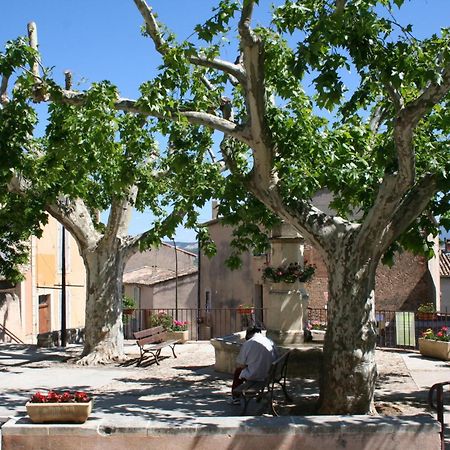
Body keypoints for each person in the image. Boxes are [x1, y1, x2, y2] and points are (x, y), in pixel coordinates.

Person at [229, 325, 277, 404]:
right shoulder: (269, 341)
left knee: (238, 371)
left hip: (257, 376)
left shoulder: (248, 343)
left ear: (249, 334)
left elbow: (240, 364)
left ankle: (235, 397)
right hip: (270, 374)